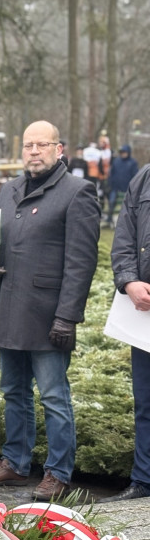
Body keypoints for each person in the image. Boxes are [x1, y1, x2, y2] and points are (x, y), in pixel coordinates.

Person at [0, 120, 100, 501]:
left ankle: (58, 472)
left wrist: (67, 316)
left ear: (59, 149)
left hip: (48, 315)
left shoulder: (78, 193)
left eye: (42, 145)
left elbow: (82, 262)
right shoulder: (8, 191)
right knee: (13, 391)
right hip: (9, 307)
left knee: (53, 396)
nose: (33, 152)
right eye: (28, 145)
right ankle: (14, 463)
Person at [103, 159, 150, 501]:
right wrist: (129, 280)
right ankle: (143, 480)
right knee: (145, 401)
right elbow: (123, 238)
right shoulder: (144, 177)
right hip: (144, 311)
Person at [106, 144, 138, 228]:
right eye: (121, 152)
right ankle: (109, 220)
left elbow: (135, 176)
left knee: (128, 206)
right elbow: (111, 173)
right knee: (112, 202)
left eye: (124, 152)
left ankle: (128, 223)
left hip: (128, 189)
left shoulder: (133, 162)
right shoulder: (116, 161)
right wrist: (110, 184)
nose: (123, 153)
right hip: (115, 188)